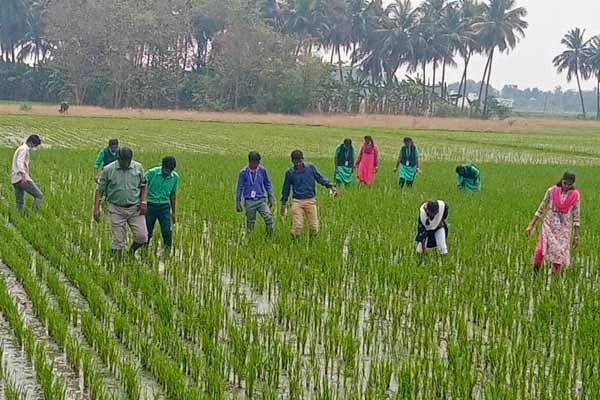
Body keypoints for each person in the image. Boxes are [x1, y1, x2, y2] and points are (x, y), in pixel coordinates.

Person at [93, 147, 148, 255]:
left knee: (142, 237)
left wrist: (143, 201)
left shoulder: (138, 168)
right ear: (119, 159)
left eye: (128, 161)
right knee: (118, 242)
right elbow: (100, 190)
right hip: (116, 208)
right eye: (123, 161)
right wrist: (96, 209)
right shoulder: (108, 170)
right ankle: (117, 265)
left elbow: (143, 185)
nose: (126, 164)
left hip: (135, 208)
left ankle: (131, 252)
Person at [526, 171, 580, 275]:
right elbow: (541, 208)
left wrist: (576, 235)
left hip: (564, 229)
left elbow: (576, 216)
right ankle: (534, 274)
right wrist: (531, 224)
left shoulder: (575, 195)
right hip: (549, 225)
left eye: (570, 184)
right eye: (565, 183)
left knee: (558, 254)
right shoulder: (551, 191)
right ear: (561, 180)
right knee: (540, 250)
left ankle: (555, 279)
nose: (566, 186)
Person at [280, 150, 336, 238]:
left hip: (310, 200)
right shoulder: (290, 173)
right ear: (292, 161)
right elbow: (286, 189)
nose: (298, 164)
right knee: (297, 227)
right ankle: (294, 245)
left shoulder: (310, 168)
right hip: (297, 202)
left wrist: (330, 185)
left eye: (299, 161)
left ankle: (311, 245)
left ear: (303, 159)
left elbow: (319, 178)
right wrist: (283, 204)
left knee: (314, 228)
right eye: (295, 162)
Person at [236, 151, 274, 234]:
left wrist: (270, 197)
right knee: (250, 223)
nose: (255, 165)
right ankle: (250, 240)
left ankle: (269, 237)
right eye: (254, 163)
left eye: (257, 163)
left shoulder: (262, 170)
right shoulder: (243, 172)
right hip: (249, 201)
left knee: (269, 218)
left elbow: (267, 183)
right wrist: (238, 202)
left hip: (261, 199)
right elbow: (239, 188)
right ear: (249, 162)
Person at [145, 156, 179, 249]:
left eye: (170, 170)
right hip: (150, 205)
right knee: (147, 231)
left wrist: (174, 212)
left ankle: (168, 251)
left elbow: (172, 194)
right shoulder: (151, 173)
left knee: (167, 231)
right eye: (166, 170)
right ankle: (144, 249)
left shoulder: (175, 177)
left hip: (164, 207)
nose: (167, 173)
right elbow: (142, 187)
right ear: (162, 166)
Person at [11, 134, 43, 211]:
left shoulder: (21, 148)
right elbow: (20, 162)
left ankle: (19, 215)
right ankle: (32, 214)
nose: (34, 147)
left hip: (15, 179)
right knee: (39, 195)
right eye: (35, 145)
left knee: (19, 202)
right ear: (31, 142)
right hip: (21, 178)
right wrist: (23, 175)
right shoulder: (24, 149)